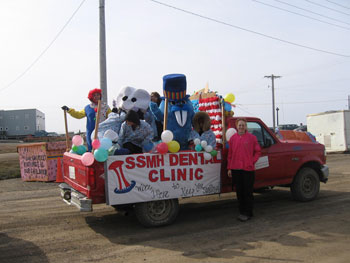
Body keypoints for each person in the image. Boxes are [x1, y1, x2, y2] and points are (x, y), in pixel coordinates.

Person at [227, 118, 261, 222]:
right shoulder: (233, 139)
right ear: (237, 127)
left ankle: (248, 212)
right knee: (239, 192)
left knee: (248, 192)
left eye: (243, 125)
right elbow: (230, 155)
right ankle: (242, 212)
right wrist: (229, 168)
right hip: (236, 169)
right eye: (239, 125)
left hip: (248, 169)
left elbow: (258, 152)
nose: (241, 127)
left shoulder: (252, 138)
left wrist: (252, 161)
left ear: (246, 126)